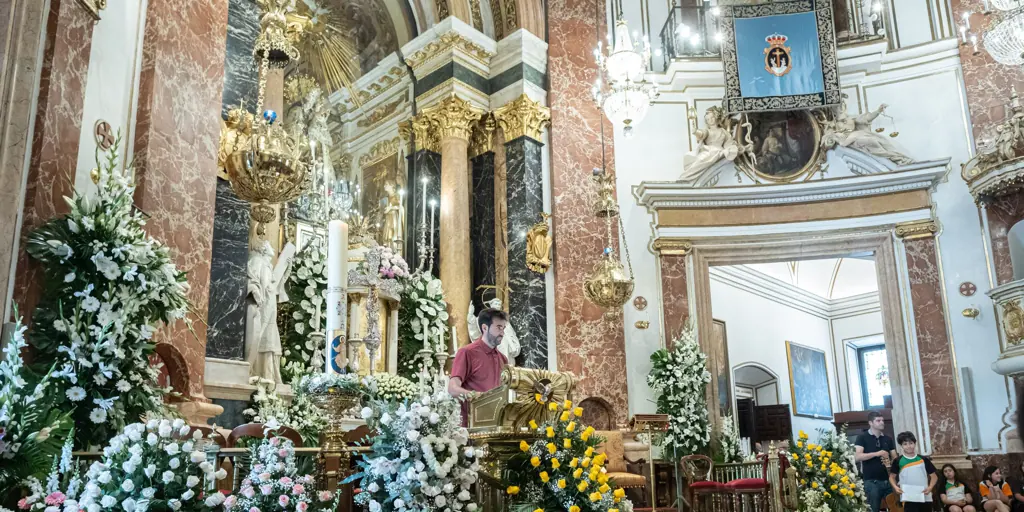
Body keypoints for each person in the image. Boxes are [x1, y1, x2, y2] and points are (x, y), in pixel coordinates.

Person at [448, 308, 509, 426]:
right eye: (498, 327)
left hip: (497, 426)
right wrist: (475, 395)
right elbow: (452, 388)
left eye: (503, 328)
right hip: (472, 426)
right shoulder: (467, 352)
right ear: (485, 328)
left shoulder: (503, 359)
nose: (502, 333)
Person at [855, 410, 898, 512]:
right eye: (878, 421)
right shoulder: (862, 437)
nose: (882, 422)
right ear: (870, 423)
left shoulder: (888, 438)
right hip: (871, 481)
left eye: (882, 420)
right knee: (873, 509)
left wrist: (891, 462)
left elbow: (895, 458)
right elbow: (857, 457)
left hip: (889, 480)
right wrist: (877, 453)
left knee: (895, 508)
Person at [889, 431, 937, 512]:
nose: (909, 446)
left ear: (915, 443)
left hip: (924, 496)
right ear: (901, 446)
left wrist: (930, 487)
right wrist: (896, 488)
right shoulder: (898, 461)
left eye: (911, 443)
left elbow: (934, 476)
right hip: (908, 498)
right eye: (905, 444)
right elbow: (891, 477)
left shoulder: (923, 459)